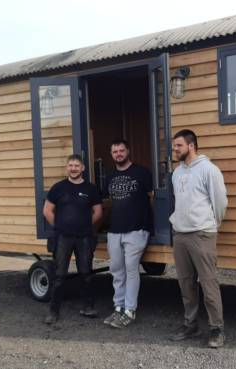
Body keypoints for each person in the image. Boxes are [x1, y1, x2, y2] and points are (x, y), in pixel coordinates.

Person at [167, 129, 228, 348]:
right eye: (174, 145)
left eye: (179, 146)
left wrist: (210, 225)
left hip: (202, 234)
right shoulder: (176, 173)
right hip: (180, 234)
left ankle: (216, 329)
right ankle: (190, 324)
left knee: (209, 284)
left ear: (191, 146)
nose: (175, 149)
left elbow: (220, 202)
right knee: (186, 283)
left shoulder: (209, 170)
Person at [43, 154, 102, 325]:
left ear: (83, 168)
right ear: (67, 168)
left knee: (86, 273)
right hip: (63, 238)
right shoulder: (58, 188)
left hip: (84, 237)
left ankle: (88, 307)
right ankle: (53, 312)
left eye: (77, 165)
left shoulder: (91, 189)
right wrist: (60, 226)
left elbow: (98, 212)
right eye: (70, 165)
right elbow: (47, 211)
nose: (73, 168)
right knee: (60, 275)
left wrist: (84, 225)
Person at [102, 138, 154, 328]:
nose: (119, 154)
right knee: (116, 269)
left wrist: (148, 223)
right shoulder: (109, 176)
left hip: (136, 229)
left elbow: (152, 197)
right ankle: (118, 307)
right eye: (115, 152)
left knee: (131, 269)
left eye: (121, 150)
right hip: (115, 230)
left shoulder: (142, 172)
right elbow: (108, 202)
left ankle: (130, 310)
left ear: (128, 151)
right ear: (111, 154)